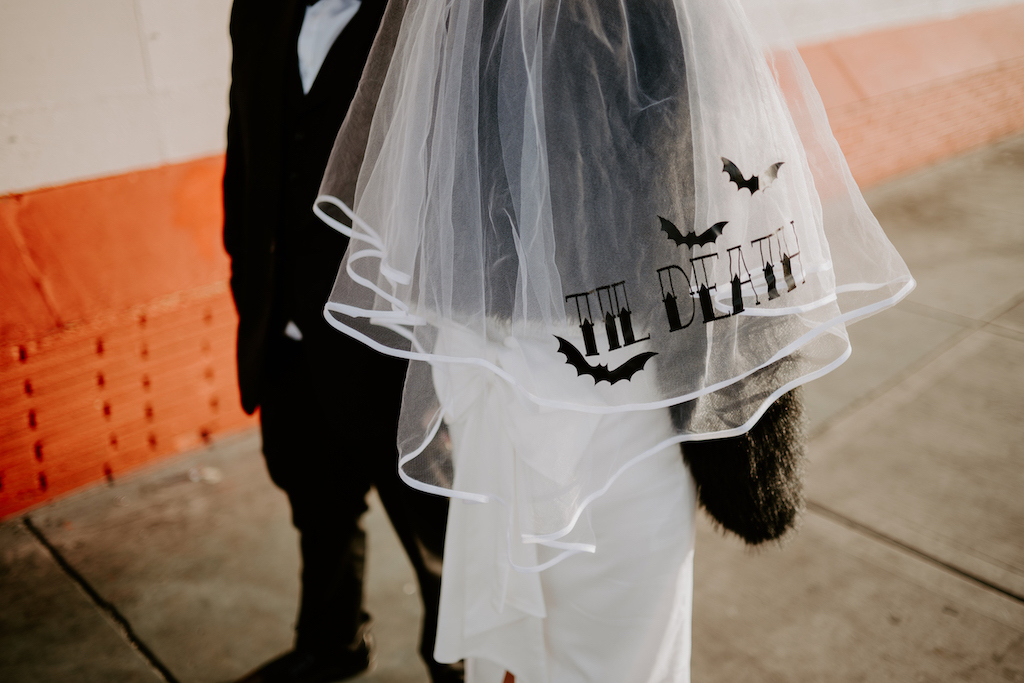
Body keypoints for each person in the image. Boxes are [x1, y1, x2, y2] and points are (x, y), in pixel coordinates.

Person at [312, 0, 915, 680]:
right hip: (622, 392)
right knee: (627, 656)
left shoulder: (455, 17)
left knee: (527, 651)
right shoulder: (650, 12)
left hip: (490, 372)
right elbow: (714, 209)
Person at [222, 1, 461, 681]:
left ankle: (458, 662)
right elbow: (245, 144)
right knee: (316, 502)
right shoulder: (256, 11)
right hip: (286, 330)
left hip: (392, 345)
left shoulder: (423, 17)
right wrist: (250, 278)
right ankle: (332, 641)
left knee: (438, 528)